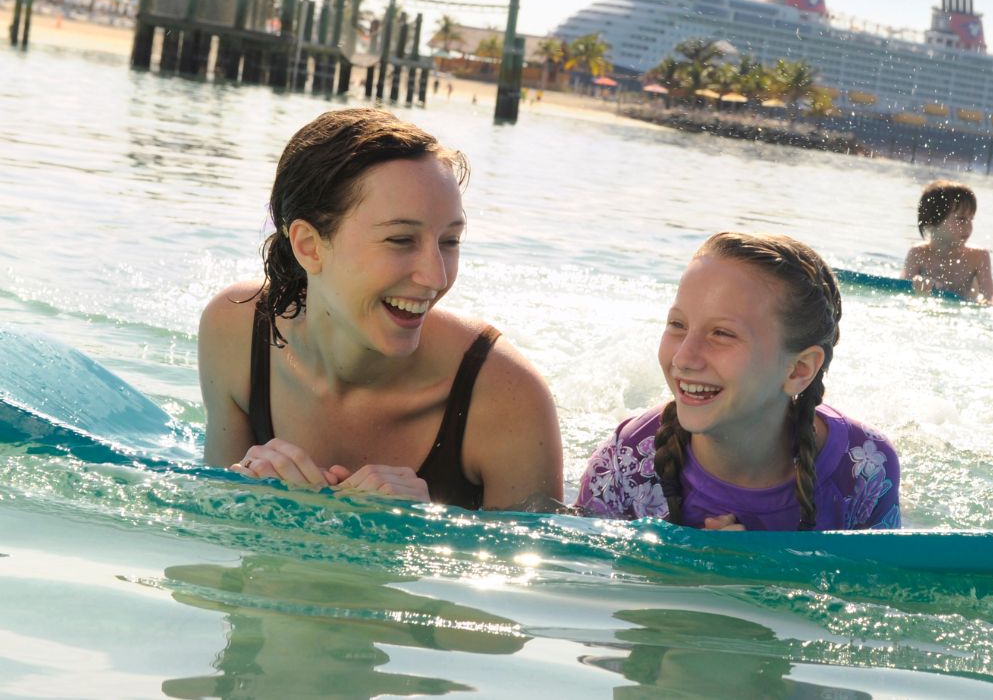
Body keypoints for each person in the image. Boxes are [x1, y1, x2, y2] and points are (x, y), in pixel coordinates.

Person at [198, 108, 562, 510]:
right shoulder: (236, 330)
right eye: (401, 240)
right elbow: (211, 532)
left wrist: (424, 531)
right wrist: (247, 501)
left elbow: (536, 568)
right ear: (309, 246)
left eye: (450, 241)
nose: (436, 277)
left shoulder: (506, 398)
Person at [578, 232, 900, 531]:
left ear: (798, 370)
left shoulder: (863, 468)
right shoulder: (629, 459)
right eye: (677, 324)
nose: (683, 359)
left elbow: (878, 589)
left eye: (722, 333)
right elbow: (584, 581)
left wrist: (750, 575)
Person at [900, 180, 993, 303]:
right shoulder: (918, 253)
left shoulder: (978, 257)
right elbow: (902, 291)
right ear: (932, 221)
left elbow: (991, 298)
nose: (968, 226)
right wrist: (918, 288)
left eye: (971, 219)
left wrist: (986, 303)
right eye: (961, 219)